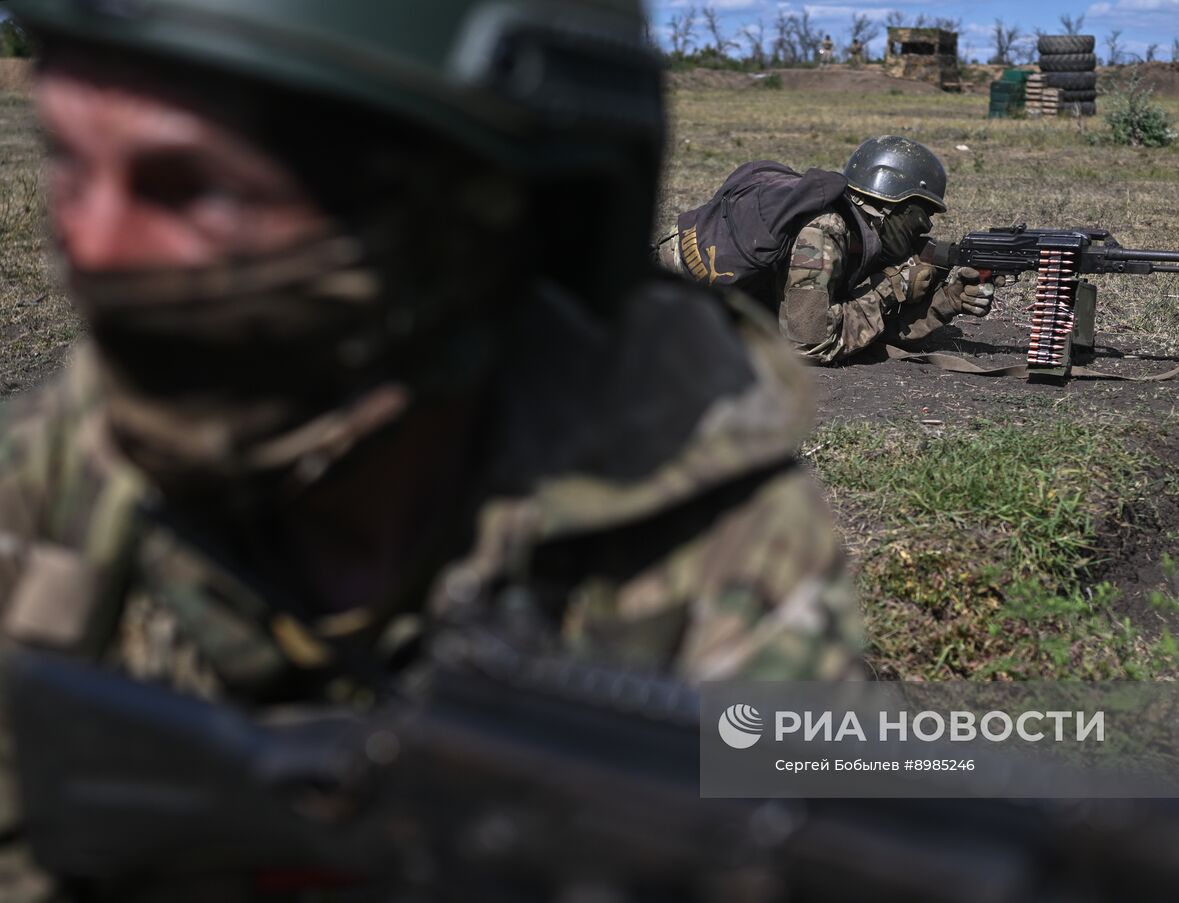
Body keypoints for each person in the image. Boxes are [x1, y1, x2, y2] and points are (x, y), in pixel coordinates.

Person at [0, 0, 866, 895]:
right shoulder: (59, 467)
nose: (92, 244)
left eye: (194, 188)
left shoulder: (703, 528)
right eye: (64, 162)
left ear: (467, 213)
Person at [672, 135, 999, 364]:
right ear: (891, 205)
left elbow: (861, 319)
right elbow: (809, 343)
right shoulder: (825, 231)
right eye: (922, 214)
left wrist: (948, 301)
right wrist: (892, 287)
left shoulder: (857, 229)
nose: (927, 226)